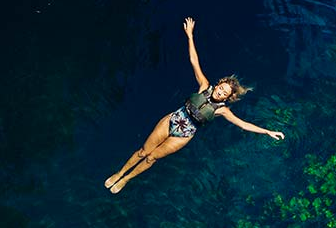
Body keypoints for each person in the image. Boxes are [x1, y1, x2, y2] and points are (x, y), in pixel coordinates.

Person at [104, 17, 285, 194]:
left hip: (184, 135)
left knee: (151, 158)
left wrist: (267, 131)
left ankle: (127, 179)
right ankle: (119, 173)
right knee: (144, 151)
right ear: (218, 84)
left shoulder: (222, 110)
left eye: (225, 93)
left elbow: (243, 124)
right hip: (172, 120)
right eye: (221, 88)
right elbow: (194, 61)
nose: (221, 92)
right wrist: (190, 36)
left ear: (228, 97)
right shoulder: (204, 86)